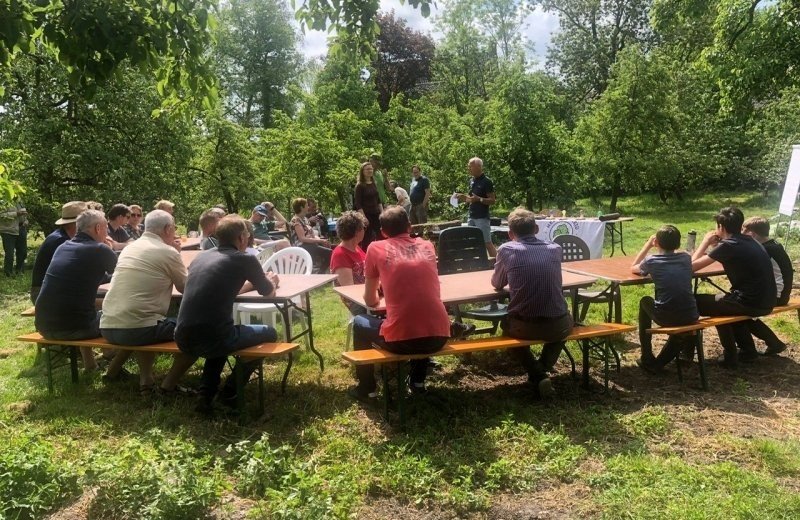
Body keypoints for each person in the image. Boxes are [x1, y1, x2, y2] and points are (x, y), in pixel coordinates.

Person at [175, 215, 280, 417]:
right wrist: (272, 280)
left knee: (219, 333)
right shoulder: (245, 258)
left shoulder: (202, 257)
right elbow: (268, 293)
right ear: (242, 238)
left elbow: (222, 287)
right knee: (270, 333)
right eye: (248, 236)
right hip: (215, 338)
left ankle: (205, 397)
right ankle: (231, 392)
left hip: (182, 337)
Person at [350, 206, 451, 399]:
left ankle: (367, 387)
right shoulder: (428, 245)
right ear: (410, 226)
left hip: (401, 342)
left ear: (383, 232)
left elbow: (370, 300)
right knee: (421, 317)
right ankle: (418, 382)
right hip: (439, 336)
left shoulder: (375, 248)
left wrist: (383, 290)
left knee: (359, 322)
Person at [100, 210, 196, 394]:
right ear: (168, 229)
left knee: (144, 315)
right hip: (138, 329)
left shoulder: (130, 248)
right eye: (174, 228)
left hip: (108, 326)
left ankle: (137, 378)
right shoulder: (167, 252)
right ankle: (168, 386)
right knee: (197, 330)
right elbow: (187, 288)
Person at [490, 208, 571, 398]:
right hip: (558, 325)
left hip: (524, 327)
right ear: (536, 228)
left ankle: (538, 373)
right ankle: (542, 368)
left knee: (507, 330)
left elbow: (497, 283)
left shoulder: (507, 249)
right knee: (566, 324)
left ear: (510, 234)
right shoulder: (555, 249)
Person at [691, 207, 776, 368]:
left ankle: (728, 356)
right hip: (767, 300)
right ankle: (748, 351)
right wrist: (718, 245)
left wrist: (705, 242)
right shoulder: (748, 240)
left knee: (692, 301)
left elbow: (689, 268)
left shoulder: (729, 245)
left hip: (750, 302)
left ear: (721, 227)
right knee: (723, 304)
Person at [35, 209, 118, 373]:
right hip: (75, 328)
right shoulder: (100, 250)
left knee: (84, 306)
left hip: (44, 325)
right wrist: (109, 250)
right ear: (98, 229)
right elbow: (125, 279)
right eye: (106, 228)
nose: (108, 232)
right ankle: (113, 361)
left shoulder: (62, 247)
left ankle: (91, 364)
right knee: (123, 317)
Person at [630, 225, 700, 374]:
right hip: (691, 314)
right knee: (680, 328)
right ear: (678, 244)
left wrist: (648, 245)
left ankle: (647, 356)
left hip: (667, 316)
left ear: (656, 243)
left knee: (644, 301)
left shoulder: (651, 260)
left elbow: (634, 267)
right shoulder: (686, 258)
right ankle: (657, 364)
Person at [742, 216, 793, 355]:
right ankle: (772, 343)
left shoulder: (765, 251)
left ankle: (754, 349)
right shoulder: (772, 245)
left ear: (752, 234)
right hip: (782, 293)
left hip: (777, 296)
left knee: (738, 309)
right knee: (738, 306)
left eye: (743, 232)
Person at [31, 201, 86, 303]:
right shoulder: (60, 241)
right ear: (79, 223)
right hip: (43, 294)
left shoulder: (63, 236)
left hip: (53, 290)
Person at [330, 211, 369, 315]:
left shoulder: (356, 248)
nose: (365, 231)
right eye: (363, 228)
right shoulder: (340, 255)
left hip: (368, 294)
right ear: (357, 232)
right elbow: (350, 290)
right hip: (358, 303)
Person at [457, 157, 496, 257]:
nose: (469, 169)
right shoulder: (472, 181)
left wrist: (479, 199)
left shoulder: (487, 181)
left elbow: (492, 200)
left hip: (482, 217)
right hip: (472, 216)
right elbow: (472, 199)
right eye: (468, 166)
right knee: (473, 242)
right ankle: (478, 264)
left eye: (471, 166)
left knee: (487, 242)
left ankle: (499, 265)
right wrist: (464, 198)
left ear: (479, 166)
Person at [290, 198, 332, 272]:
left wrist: (322, 240)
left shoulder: (305, 219)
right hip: (303, 247)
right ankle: (320, 273)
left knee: (331, 248)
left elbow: (312, 234)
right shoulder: (296, 220)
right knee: (330, 253)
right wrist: (320, 241)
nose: (308, 207)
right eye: (306, 205)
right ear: (301, 207)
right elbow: (302, 238)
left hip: (311, 244)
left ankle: (320, 272)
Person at [354, 161, 383, 250]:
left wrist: (383, 213)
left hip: (377, 214)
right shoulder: (360, 186)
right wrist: (364, 218)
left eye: (371, 169)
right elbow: (358, 204)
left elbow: (378, 200)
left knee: (381, 235)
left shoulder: (374, 183)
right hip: (366, 215)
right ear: (362, 171)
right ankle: (366, 258)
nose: (370, 171)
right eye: (367, 169)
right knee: (367, 238)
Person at [0, 198, 28, 276]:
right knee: (10, 253)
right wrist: (16, 214)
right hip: (8, 230)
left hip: (21, 229)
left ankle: (19, 271)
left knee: (23, 252)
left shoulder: (20, 201)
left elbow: (24, 215)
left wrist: (26, 221)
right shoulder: (3, 201)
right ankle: (8, 273)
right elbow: (1, 215)